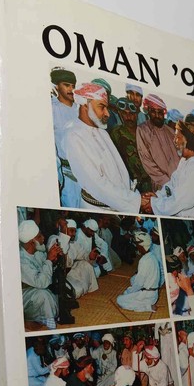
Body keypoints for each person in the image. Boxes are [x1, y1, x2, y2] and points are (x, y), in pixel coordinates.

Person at [61, 82, 145, 213]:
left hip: (121, 204)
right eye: (102, 107)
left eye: (107, 107)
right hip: (99, 210)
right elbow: (95, 184)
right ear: (85, 105)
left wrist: (135, 195)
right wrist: (136, 201)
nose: (107, 113)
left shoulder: (102, 132)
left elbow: (120, 169)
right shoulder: (73, 136)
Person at [146, 120, 194, 218]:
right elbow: (173, 184)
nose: (174, 141)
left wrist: (154, 204)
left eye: (177, 137)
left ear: (187, 140)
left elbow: (180, 201)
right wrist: (158, 195)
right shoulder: (185, 161)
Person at [19, 220, 61, 329]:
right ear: (32, 242)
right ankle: (50, 326)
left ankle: (39, 320)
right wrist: (49, 260)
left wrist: (54, 260)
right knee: (43, 295)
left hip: (35, 291)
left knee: (57, 295)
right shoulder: (21, 260)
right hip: (22, 297)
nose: (43, 238)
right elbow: (41, 283)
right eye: (39, 236)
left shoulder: (37, 253)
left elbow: (46, 271)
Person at [136, 94, 180, 191]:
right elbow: (146, 161)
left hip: (179, 181)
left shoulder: (171, 132)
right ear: (148, 111)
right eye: (153, 111)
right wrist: (166, 182)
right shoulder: (143, 130)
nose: (157, 115)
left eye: (159, 112)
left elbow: (180, 156)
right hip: (162, 185)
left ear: (163, 113)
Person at [50, 68, 81, 208]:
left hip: (85, 172)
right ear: (57, 86)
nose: (71, 89)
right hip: (66, 173)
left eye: (73, 86)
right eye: (66, 85)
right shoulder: (52, 108)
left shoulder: (81, 109)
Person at [47, 218, 98, 298]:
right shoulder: (53, 239)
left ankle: (92, 292)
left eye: (75, 231)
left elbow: (83, 254)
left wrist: (89, 256)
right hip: (57, 278)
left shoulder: (73, 244)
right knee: (77, 291)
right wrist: (63, 231)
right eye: (71, 230)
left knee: (86, 265)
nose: (74, 234)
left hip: (69, 274)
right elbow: (62, 251)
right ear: (63, 229)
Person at [110, 97, 152, 193]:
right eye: (125, 113)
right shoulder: (116, 133)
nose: (129, 117)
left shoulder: (145, 133)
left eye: (132, 114)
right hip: (130, 184)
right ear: (120, 115)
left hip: (150, 181)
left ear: (136, 115)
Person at [116, 231, 160, 312]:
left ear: (141, 245)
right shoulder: (152, 256)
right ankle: (142, 300)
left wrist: (128, 292)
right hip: (154, 293)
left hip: (147, 296)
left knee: (119, 300)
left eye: (137, 244)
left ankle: (147, 307)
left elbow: (139, 284)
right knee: (133, 279)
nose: (136, 246)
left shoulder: (144, 260)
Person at [154, 322, 179, 386]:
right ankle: (169, 382)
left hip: (172, 336)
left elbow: (174, 327)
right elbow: (157, 325)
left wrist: (177, 343)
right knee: (165, 360)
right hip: (164, 338)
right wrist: (157, 337)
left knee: (174, 361)